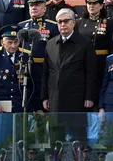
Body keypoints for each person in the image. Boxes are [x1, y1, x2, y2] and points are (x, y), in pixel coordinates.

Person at [41, 8, 97, 140]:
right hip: (55, 99)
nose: (62, 25)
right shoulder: (51, 44)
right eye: (59, 22)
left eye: (66, 21)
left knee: (79, 139)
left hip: (76, 99)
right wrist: (44, 97)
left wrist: (89, 97)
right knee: (55, 139)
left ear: (73, 23)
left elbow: (91, 72)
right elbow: (46, 72)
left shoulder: (85, 43)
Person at [18, 0, 59, 112]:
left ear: (44, 8)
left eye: (37, 4)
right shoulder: (21, 26)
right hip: (25, 70)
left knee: (43, 104)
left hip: (43, 70)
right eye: (31, 5)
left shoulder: (53, 26)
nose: (34, 7)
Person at [76, 0, 113, 103]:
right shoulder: (79, 23)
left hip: (102, 61)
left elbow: (112, 46)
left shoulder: (109, 23)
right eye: (89, 3)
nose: (92, 6)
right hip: (83, 61)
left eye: (95, 3)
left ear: (101, 5)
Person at [0, 25, 32, 113]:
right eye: (9, 42)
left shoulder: (27, 56)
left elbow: (33, 83)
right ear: (2, 42)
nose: (13, 46)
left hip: (20, 105)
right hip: (0, 105)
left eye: (16, 42)